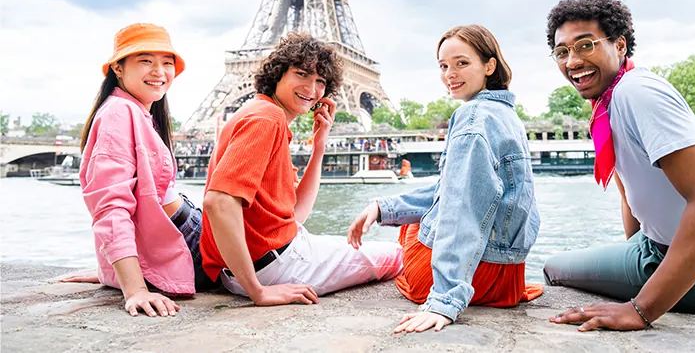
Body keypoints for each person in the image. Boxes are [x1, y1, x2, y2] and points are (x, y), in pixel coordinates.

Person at [542, 0, 695, 332]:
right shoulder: (610, 100)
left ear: (620, 45)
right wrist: (631, 256)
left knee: (553, 268)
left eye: (585, 45)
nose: (572, 61)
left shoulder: (636, 93)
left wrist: (640, 309)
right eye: (562, 52)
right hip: (684, 250)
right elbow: (630, 193)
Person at [348, 25, 542, 334]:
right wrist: (383, 207)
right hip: (507, 276)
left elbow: (460, 210)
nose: (449, 73)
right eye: (443, 65)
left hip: (476, 278)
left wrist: (445, 301)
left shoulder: (473, 117)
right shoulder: (507, 116)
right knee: (421, 216)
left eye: (462, 63)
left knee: (413, 228)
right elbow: (456, 191)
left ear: (489, 66)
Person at [200, 33, 403, 306]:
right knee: (398, 255)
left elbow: (295, 216)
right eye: (302, 74)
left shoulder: (258, 112)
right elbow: (218, 201)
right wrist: (257, 291)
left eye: (321, 81)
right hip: (274, 267)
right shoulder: (267, 118)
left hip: (254, 265)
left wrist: (319, 147)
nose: (312, 87)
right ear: (278, 75)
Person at [68, 23, 205, 317]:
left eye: (167, 63)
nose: (159, 72)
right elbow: (110, 208)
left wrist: (113, 270)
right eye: (146, 61)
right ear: (118, 68)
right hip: (188, 238)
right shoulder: (119, 113)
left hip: (186, 232)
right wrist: (135, 289)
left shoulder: (136, 110)